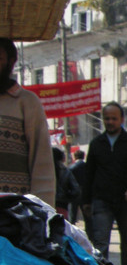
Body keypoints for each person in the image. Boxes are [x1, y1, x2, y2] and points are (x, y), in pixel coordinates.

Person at [81, 102, 127, 265]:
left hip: (125, 200)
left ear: (121, 120)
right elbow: (89, 174)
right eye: (107, 118)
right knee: (100, 241)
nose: (110, 122)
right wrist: (85, 201)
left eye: (113, 118)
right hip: (101, 199)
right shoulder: (96, 144)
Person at [0, 37, 55, 207]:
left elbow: (42, 159)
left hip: (14, 211)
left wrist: (44, 210)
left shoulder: (27, 102)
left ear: (11, 62)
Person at [52, 147, 81, 219]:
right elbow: (76, 190)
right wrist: (67, 197)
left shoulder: (43, 170)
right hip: (62, 205)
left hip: (45, 203)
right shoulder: (65, 171)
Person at [68, 149, 88, 226]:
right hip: (85, 192)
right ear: (84, 156)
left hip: (74, 193)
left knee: (73, 214)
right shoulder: (88, 167)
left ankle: (73, 230)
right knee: (87, 215)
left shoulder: (72, 168)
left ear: (74, 157)